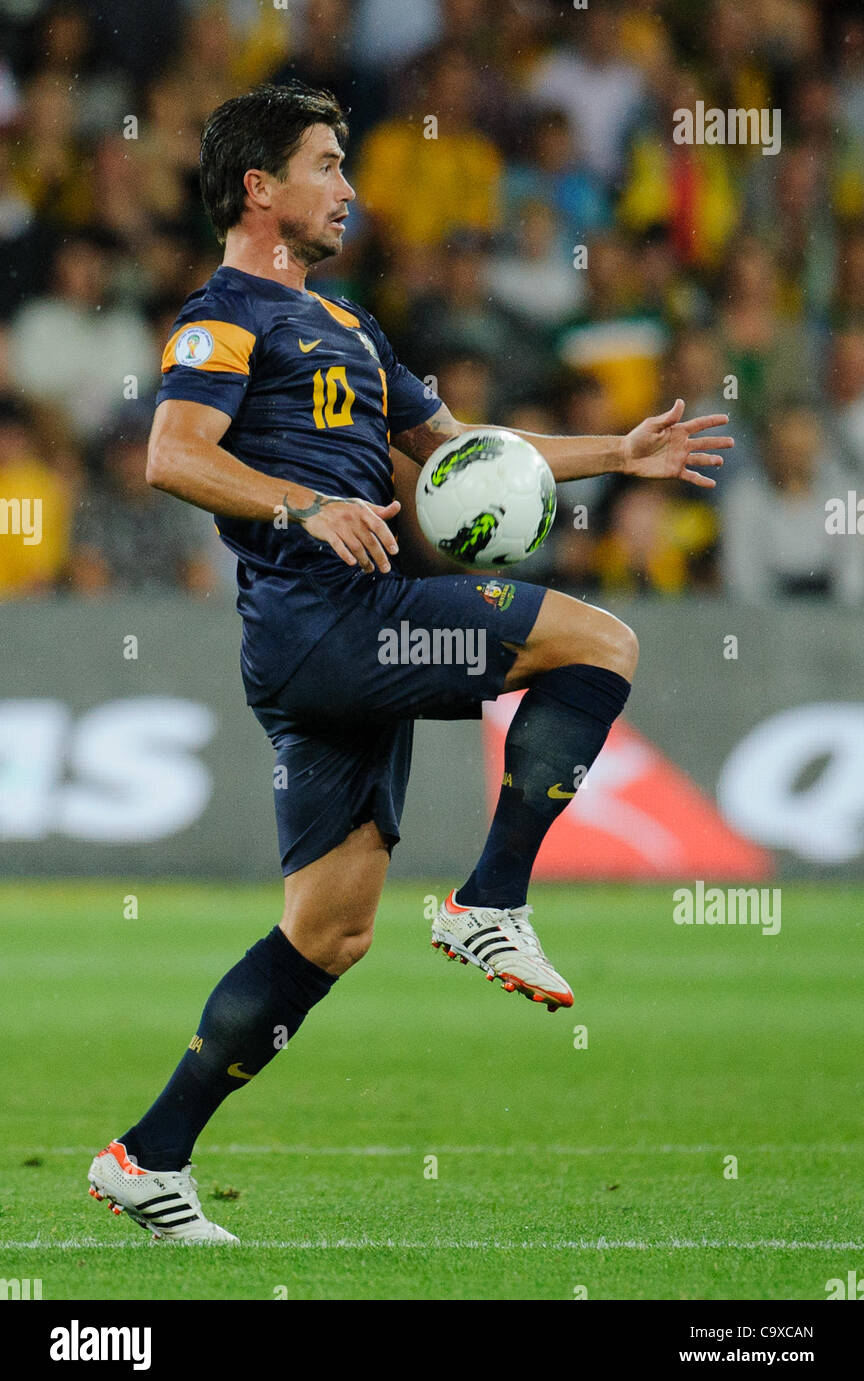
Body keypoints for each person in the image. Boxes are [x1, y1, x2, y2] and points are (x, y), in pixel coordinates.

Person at [87, 82, 731, 1243]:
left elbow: (462, 453)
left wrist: (615, 454)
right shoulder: (219, 316)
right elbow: (172, 454)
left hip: (337, 632)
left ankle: (149, 1156)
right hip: (320, 618)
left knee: (328, 929)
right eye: (329, 164)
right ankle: (493, 898)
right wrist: (301, 507)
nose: (351, 188)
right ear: (259, 188)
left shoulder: (347, 327)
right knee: (600, 640)